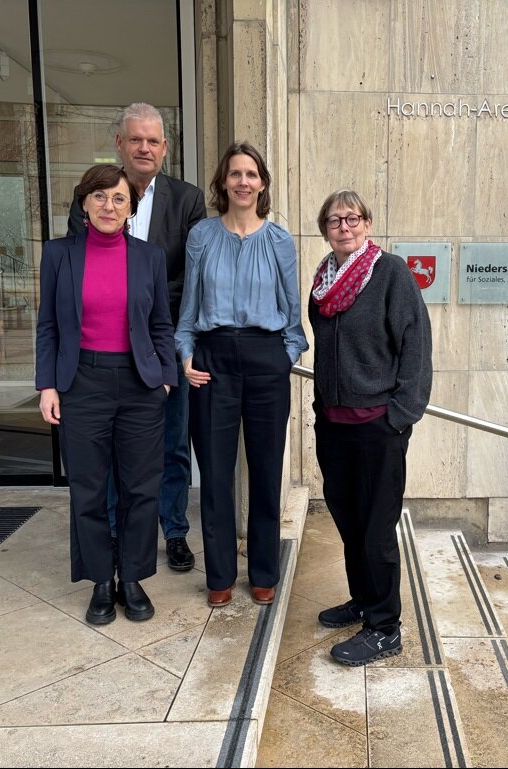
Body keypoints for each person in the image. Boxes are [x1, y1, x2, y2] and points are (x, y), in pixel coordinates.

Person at [68, 103, 206, 573]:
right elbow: (79, 266)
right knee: (109, 447)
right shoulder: (92, 195)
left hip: (163, 343)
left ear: (165, 148)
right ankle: (110, 532)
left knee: (171, 443)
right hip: (102, 349)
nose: (144, 148)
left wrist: (140, 302)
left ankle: (175, 530)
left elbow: (190, 277)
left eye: (153, 141)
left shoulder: (187, 200)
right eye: (135, 139)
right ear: (120, 144)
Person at [38, 164, 179, 625]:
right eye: (100, 196)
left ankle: (133, 578)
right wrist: (47, 386)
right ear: (84, 203)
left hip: (139, 385)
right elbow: (48, 327)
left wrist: (164, 377)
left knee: (140, 487)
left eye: (119, 199)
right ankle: (101, 580)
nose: (109, 206)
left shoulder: (148, 257)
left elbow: (160, 323)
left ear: (130, 209)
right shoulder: (59, 255)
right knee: (89, 487)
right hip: (82, 383)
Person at [175, 141, 308, 608]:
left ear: (263, 183)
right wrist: (186, 354)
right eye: (235, 174)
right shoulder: (202, 237)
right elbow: (188, 307)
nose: (243, 182)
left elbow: (293, 317)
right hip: (212, 362)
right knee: (213, 474)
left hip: (266, 357)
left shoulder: (278, 241)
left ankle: (265, 571)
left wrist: (281, 358)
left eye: (252, 174)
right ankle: (219, 576)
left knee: (267, 470)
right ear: (223, 183)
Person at [308, 189, 432, 666]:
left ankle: (385, 627)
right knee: (350, 521)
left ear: (367, 223)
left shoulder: (391, 273)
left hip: (379, 426)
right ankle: (362, 600)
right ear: (325, 229)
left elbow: (416, 346)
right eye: (335, 220)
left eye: (352, 218)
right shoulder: (323, 281)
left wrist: (401, 416)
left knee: (377, 528)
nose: (344, 226)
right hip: (334, 426)